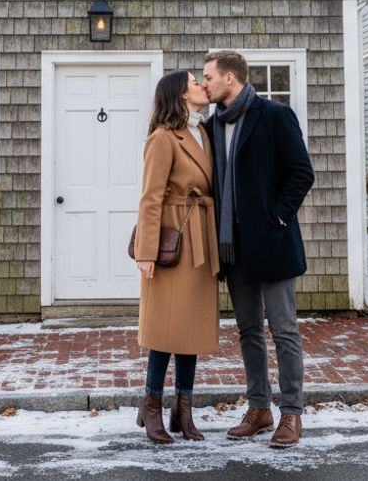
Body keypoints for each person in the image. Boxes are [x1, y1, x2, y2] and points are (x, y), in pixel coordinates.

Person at [202, 50, 315, 449]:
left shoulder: (275, 115)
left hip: (272, 242)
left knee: (283, 330)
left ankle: (292, 414)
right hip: (232, 247)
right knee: (248, 330)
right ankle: (259, 408)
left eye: (208, 77)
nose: (204, 84)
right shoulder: (212, 125)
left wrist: (277, 219)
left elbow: (302, 174)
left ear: (229, 78)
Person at [134, 70, 221, 444]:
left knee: (191, 327)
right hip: (174, 239)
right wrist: (146, 252)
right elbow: (150, 197)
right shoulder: (162, 138)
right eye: (195, 82)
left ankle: (183, 410)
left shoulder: (203, 132)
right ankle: (151, 403)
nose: (203, 85)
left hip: (202, 236)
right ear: (181, 95)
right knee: (165, 328)